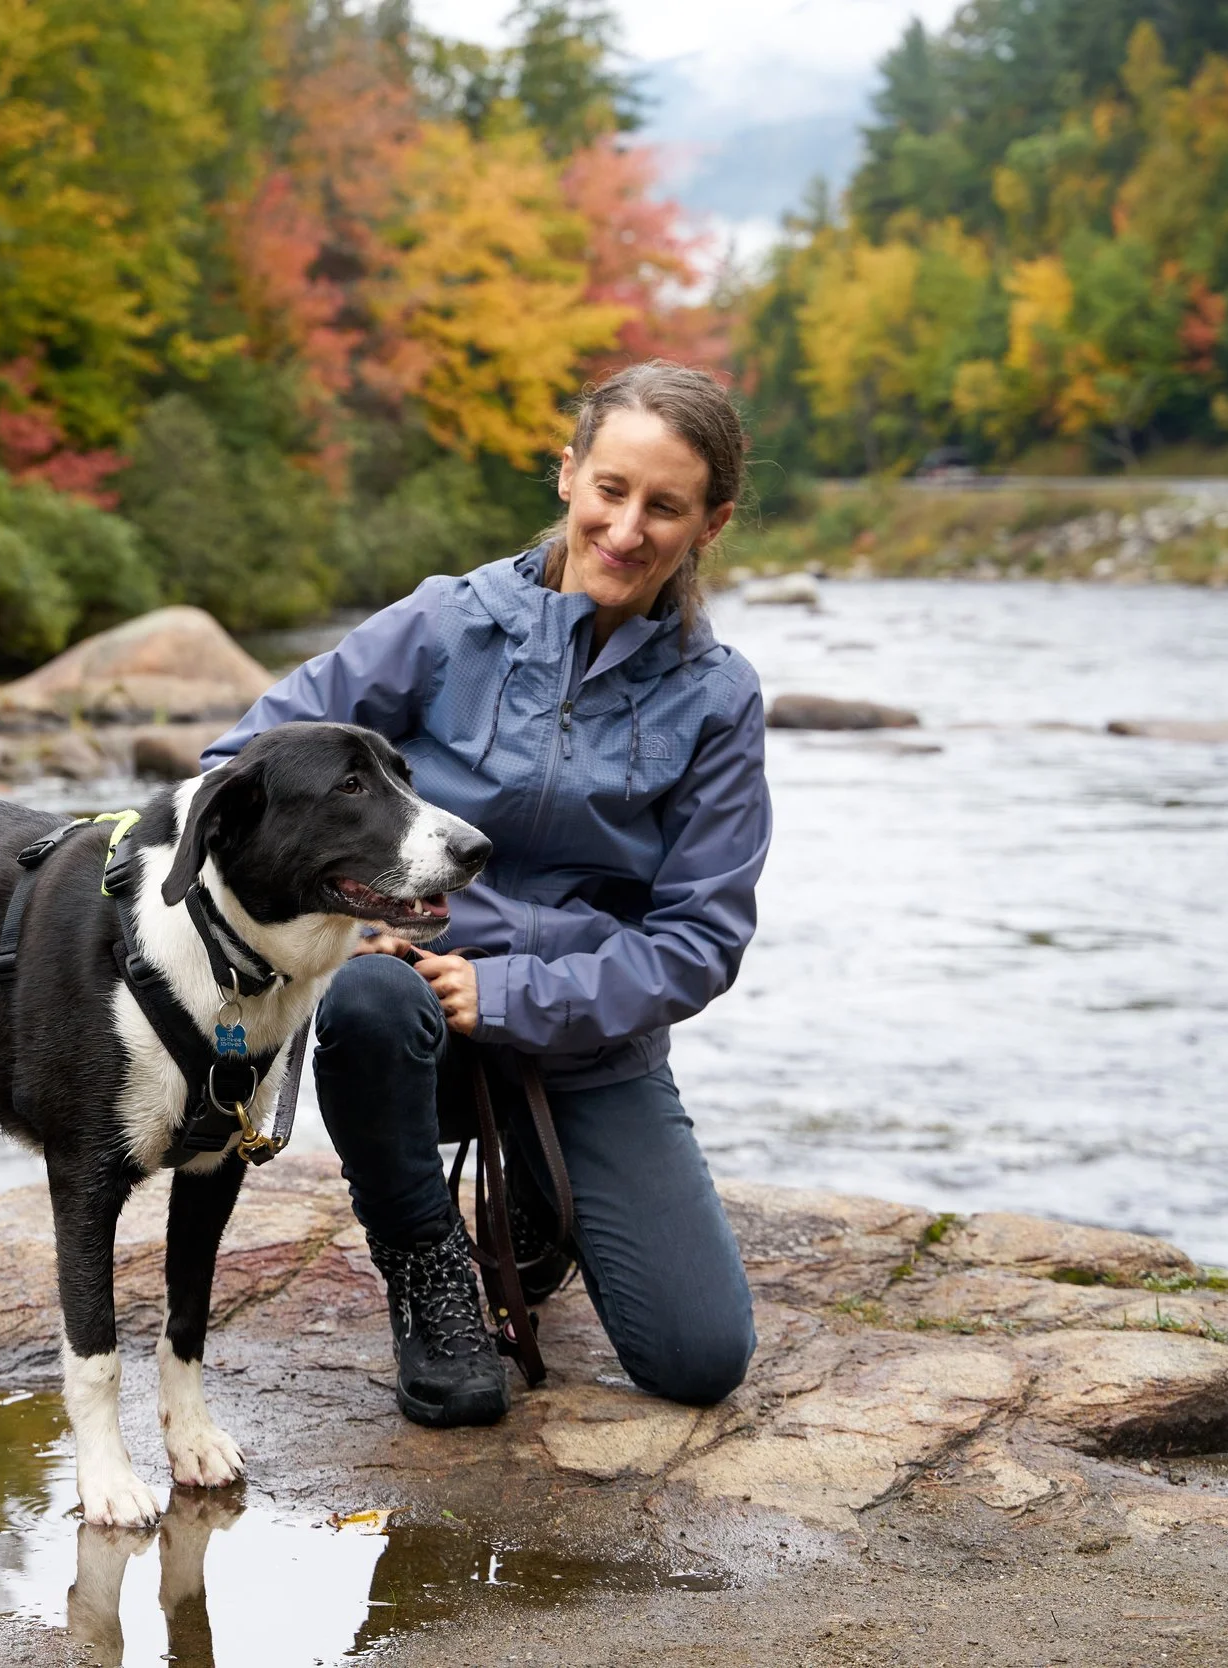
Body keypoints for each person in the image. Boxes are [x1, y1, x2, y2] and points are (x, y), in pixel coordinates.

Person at [201, 360, 769, 1427]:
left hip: (589, 1045)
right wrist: (347, 909)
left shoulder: (718, 697)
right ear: (567, 476)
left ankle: (541, 1206)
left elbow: (702, 937)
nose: (627, 528)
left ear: (711, 523)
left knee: (699, 1360)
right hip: (412, 1024)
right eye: (610, 489)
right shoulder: (444, 623)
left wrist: (514, 996)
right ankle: (428, 1269)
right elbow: (242, 765)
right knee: (368, 1001)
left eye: (666, 507)